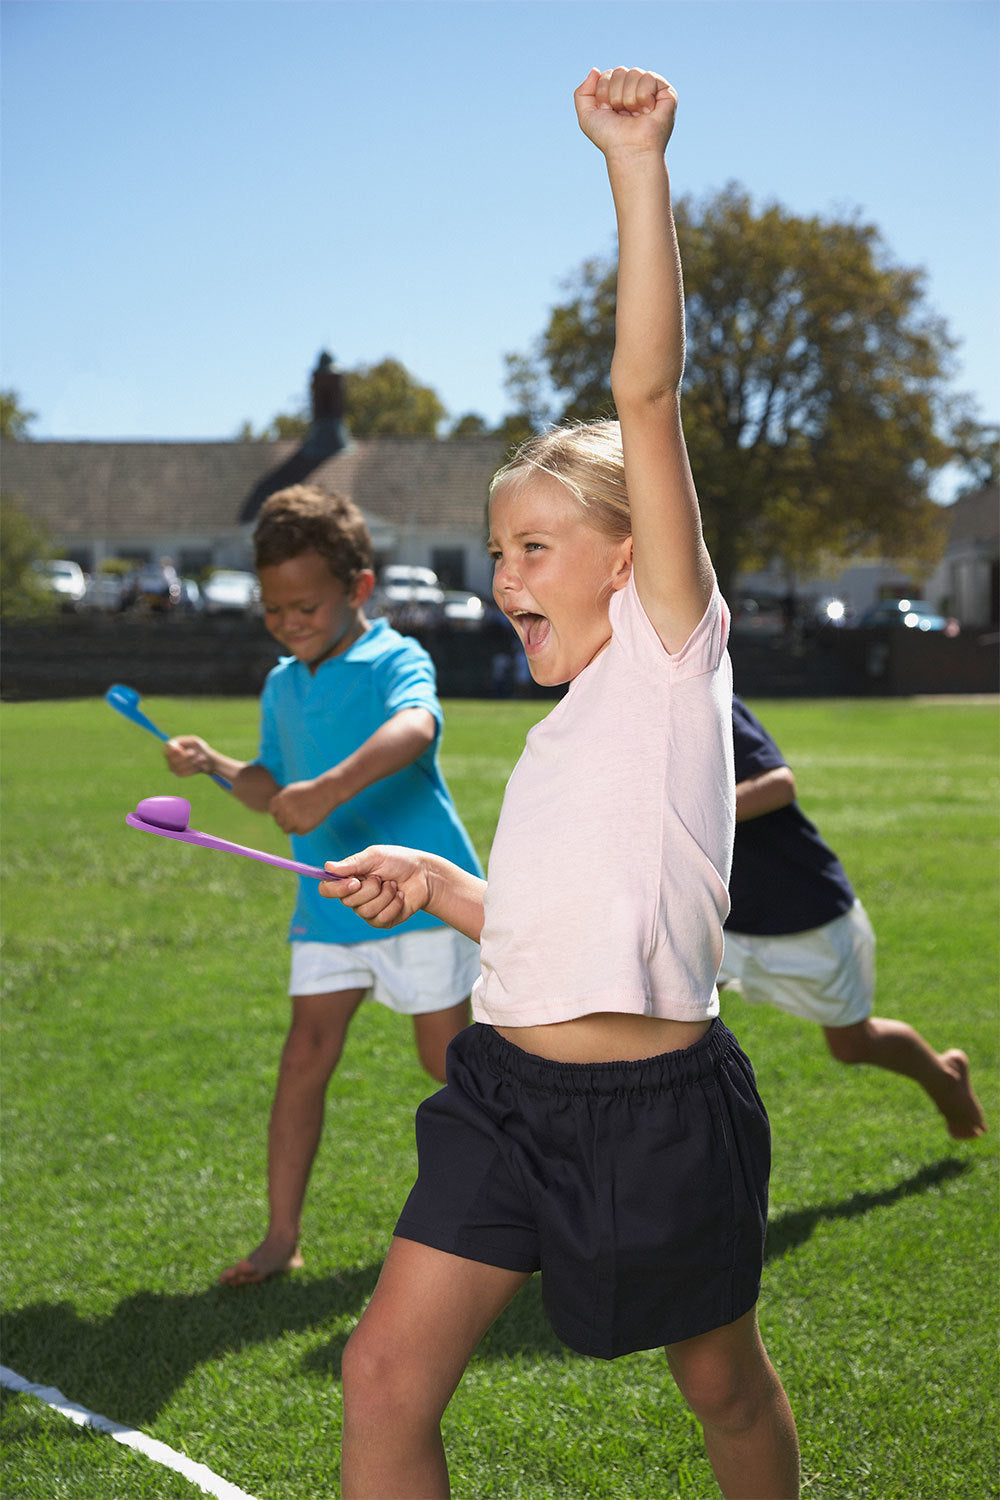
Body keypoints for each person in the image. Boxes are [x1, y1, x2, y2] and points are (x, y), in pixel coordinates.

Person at [318, 68, 800, 1500]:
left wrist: (634, 167)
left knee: (721, 1387)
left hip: (661, 1120)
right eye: (499, 550)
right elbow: (558, 928)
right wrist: (445, 887)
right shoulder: (561, 734)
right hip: (505, 1099)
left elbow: (643, 391)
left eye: (536, 547)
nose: (504, 576)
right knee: (383, 1376)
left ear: (624, 556)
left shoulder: (670, 657)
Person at [164, 484, 482, 1286]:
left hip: (416, 899)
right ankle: (281, 1239)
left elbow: (417, 730)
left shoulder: (395, 658)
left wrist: (330, 789)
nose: (289, 621)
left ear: (359, 590)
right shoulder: (282, 684)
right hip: (328, 903)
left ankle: (532, 1203)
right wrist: (217, 767)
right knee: (303, 1056)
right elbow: (274, 787)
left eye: (305, 605)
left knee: (448, 1064)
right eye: (274, 609)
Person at [720, 695, 986, 1140]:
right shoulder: (606, 706)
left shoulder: (696, 689)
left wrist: (694, 817)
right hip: (717, 914)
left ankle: (944, 1077)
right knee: (667, 1018)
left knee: (852, 1044)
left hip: (801, 909)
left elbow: (778, 782)